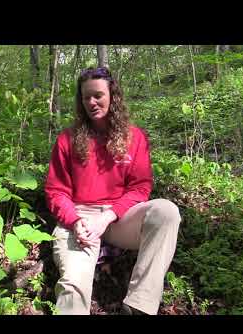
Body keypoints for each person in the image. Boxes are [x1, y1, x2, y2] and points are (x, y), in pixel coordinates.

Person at [44, 67, 181, 315]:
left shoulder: (134, 137)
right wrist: (75, 221)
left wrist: (108, 216)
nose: (92, 102)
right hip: (80, 221)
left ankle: (140, 305)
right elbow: (56, 191)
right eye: (86, 97)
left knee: (166, 212)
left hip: (119, 218)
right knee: (73, 283)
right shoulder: (68, 139)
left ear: (113, 96)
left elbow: (140, 187)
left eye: (98, 95)